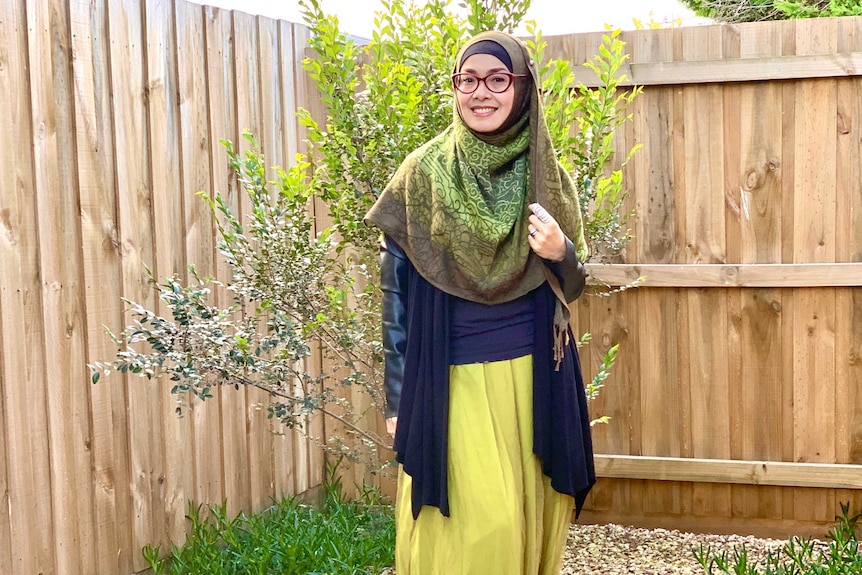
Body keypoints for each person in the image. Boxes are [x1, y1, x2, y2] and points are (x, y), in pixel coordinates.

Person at [365, 30, 595, 575]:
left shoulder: (546, 178)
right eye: (467, 80)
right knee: (476, 529)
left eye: (497, 79)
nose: (480, 93)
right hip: (452, 380)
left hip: (532, 379)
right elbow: (395, 296)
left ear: (522, 89)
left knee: (528, 517)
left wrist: (561, 253)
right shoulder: (421, 175)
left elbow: (575, 284)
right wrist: (398, 400)